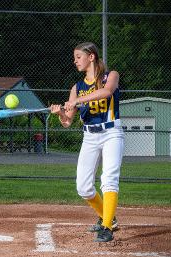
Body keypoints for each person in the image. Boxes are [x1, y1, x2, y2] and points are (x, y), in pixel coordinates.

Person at [50, 42, 125, 242]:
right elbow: (67, 122)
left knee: (109, 178)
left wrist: (78, 101)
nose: (75, 61)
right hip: (90, 136)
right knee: (83, 187)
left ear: (91, 56)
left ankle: (107, 227)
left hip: (111, 133)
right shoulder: (77, 87)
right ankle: (109, 217)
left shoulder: (111, 76)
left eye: (78, 57)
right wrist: (60, 114)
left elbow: (107, 92)